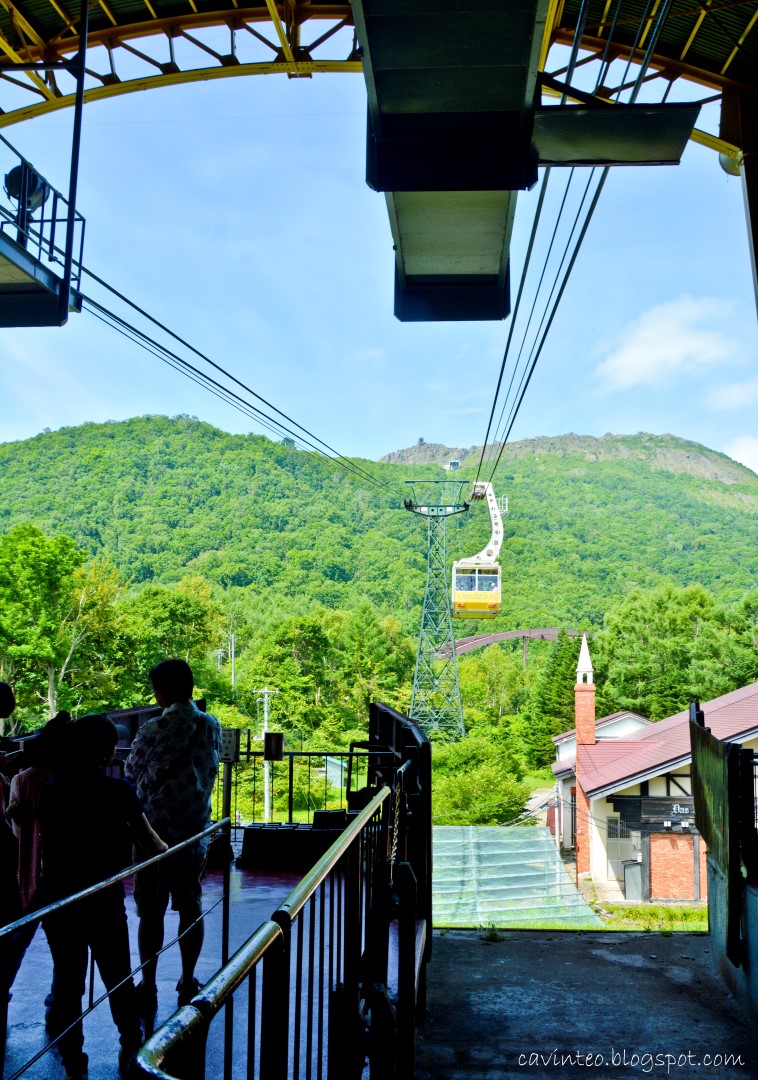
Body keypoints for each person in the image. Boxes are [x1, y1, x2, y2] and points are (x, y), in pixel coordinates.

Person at [39, 714, 167, 1080]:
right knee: (117, 976)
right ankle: (131, 1044)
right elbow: (152, 842)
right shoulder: (118, 791)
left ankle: (74, 1061)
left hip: (60, 900)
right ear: (106, 750)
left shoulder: (51, 791)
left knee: (67, 982)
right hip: (103, 900)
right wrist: (175, 850)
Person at [125, 660, 221, 1018]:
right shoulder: (210, 725)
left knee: (151, 912)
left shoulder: (154, 728)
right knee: (191, 906)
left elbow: (132, 771)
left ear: (160, 692)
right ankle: (187, 976)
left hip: (154, 837)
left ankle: (148, 983)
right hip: (195, 832)